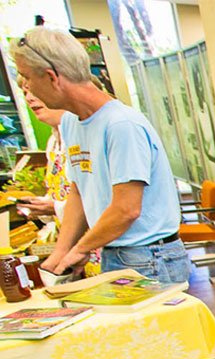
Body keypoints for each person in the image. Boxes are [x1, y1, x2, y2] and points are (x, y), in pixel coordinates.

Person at [14, 27, 189, 284]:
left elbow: (126, 209)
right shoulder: (72, 122)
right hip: (112, 251)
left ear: (52, 77)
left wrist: (81, 248)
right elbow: (79, 191)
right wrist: (61, 253)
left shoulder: (121, 125)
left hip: (149, 256)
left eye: (27, 78)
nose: (27, 89)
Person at [14, 90, 68, 220]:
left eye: (34, 91)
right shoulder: (53, 142)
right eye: (25, 92)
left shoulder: (81, 138)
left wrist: (56, 207)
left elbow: (100, 200)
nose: (29, 98)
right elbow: (58, 192)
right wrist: (39, 206)